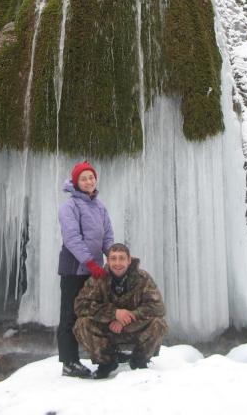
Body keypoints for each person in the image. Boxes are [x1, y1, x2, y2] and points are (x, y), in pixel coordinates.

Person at [74, 243, 168, 379]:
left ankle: (139, 361)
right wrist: (114, 314)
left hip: (134, 327)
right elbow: (80, 305)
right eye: (113, 258)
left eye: (121, 258)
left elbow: (158, 307)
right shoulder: (98, 278)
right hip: (108, 328)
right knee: (82, 323)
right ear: (108, 260)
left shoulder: (143, 278)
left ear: (129, 260)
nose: (117, 263)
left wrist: (127, 318)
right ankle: (106, 362)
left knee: (159, 323)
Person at [57, 161, 114, 378]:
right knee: (69, 315)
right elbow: (72, 238)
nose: (89, 181)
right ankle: (69, 362)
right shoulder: (69, 207)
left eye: (91, 177)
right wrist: (90, 262)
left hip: (94, 269)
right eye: (84, 178)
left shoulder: (99, 206)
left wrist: (112, 256)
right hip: (73, 269)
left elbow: (107, 234)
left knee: (96, 311)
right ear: (76, 182)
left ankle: (102, 354)